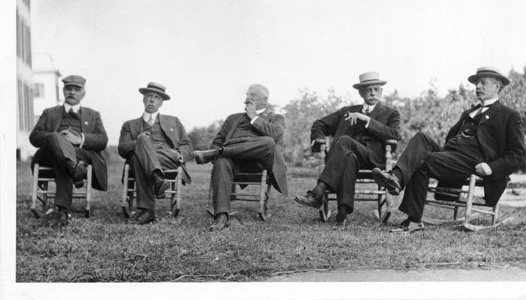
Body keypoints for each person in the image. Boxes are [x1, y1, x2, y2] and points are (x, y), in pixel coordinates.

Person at [372, 67, 526, 233]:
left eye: (483, 82)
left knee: (424, 161)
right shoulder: (470, 112)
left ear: (497, 86)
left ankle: (414, 220)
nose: (478, 86)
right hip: (451, 155)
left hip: (472, 161)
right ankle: (396, 178)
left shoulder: (509, 115)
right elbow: (450, 139)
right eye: (476, 83)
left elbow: (518, 155)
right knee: (421, 137)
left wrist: (491, 167)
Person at [294, 72, 401, 229]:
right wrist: (318, 139)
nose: (373, 93)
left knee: (344, 140)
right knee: (349, 157)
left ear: (381, 91)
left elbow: (394, 135)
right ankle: (341, 215)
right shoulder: (346, 111)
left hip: (373, 160)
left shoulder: (391, 113)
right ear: (361, 92)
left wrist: (367, 120)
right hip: (346, 159)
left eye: (376, 89)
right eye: (368, 89)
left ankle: (319, 191)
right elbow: (319, 124)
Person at [193, 84, 288, 231]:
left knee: (269, 142)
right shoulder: (233, 119)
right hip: (234, 161)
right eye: (247, 94)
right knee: (222, 160)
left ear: (265, 100)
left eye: (253, 95)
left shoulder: (276, 118)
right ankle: (221, 215)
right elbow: (217, 142)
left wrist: (254, 117)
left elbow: (276, 135)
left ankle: (219, 152)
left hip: (258, 162)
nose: (247, 98)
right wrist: (220, 150)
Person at [30, 75, 108, 226]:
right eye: (68, 88)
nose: (72, 92)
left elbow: (103, 140)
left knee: (62, 158)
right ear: (63, 91)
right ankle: (73, 169)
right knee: (55, 139)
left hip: (81, 154)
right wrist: (58, 139)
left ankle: (63, 210)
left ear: (84, 92)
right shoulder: (49, 112)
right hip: (50, 154)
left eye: (77, 89)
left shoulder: (93, 115)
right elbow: (34, 137)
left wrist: (81, 139)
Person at [118, 82, 193, 225]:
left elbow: (188, 146)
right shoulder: (129, 125)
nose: (152, 100)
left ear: (161, 102)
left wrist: (178, 154)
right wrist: (141, 142)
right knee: (138, 151)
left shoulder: (173, 121)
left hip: (167, 158)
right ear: (143, 99)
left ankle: (147, 209)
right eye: (149, 96)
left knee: (138, 158)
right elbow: (122, 149)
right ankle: (156, 178)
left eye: (157, 97)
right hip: (139, 160)